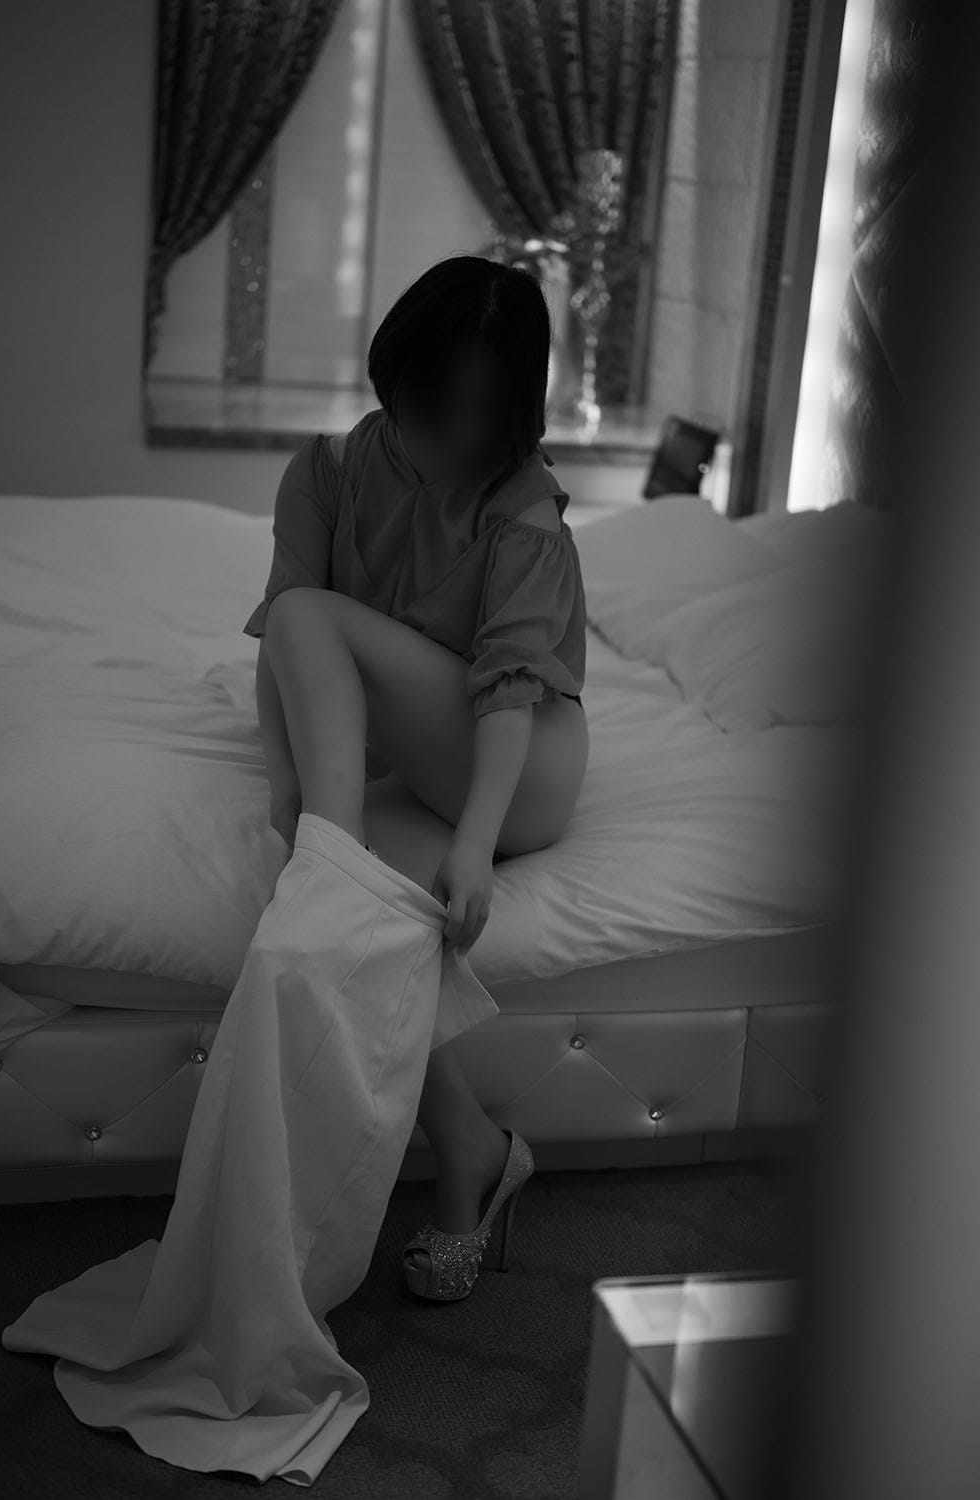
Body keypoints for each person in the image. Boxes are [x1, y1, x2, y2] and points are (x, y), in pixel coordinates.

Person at [242, 253, 590, 1299]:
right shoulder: (326, 474)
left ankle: (333, 846)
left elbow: (509, 688)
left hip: (523, 764)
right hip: (434, 755)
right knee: (362, 911)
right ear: (395, 381)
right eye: (444, 409)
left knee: (329, 857)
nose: (465, 439)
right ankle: (471, 1150)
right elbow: (284, 647)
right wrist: (287, 791)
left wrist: (475, 845)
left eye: (490, 414)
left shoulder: (523, 509)